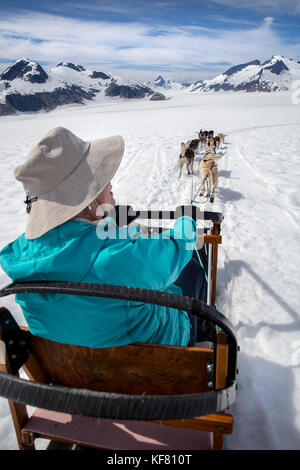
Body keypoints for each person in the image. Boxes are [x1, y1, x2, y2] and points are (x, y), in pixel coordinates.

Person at [0, 127, 206, 348]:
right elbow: (176, 247)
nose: (111, 188)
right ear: (88, 203)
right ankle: (202, 336)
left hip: (70, 365)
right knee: (192, 269)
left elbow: (76, 243)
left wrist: (110, 222)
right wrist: (187, 219)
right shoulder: (118, 257)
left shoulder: (24, 259)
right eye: (105, 185)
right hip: (157, 354)